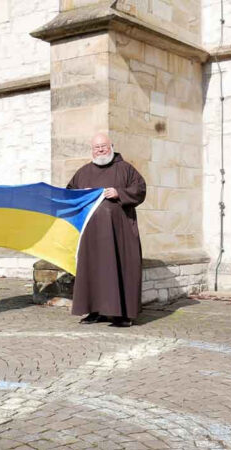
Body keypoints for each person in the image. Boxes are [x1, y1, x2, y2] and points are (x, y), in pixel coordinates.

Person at [66, 133, 147, 327]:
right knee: (93, 270)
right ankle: (95, 312)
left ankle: (122, 315)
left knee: (120, 268)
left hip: (120, 233)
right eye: (96, 147)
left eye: (104, 146)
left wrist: (120, 192)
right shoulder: (83, 172)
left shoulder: (126, 169)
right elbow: (69, 193)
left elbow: (140, 189)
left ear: (111, 146)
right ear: (92, 150)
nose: (100, 150)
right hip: (91, 235)